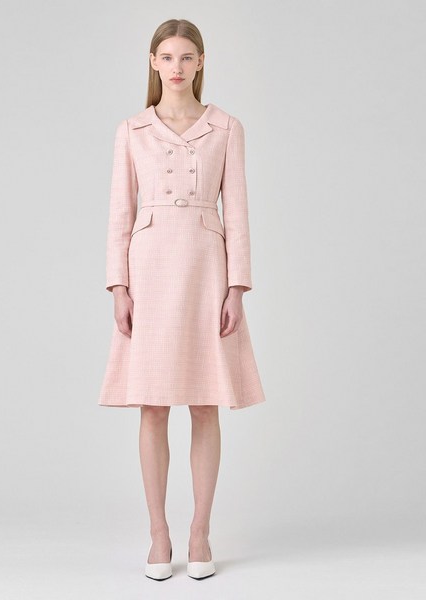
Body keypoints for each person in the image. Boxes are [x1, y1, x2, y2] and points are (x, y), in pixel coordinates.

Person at [98, 18, 266, 580]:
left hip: (205, 268)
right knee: (151, 404)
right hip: (148, 269)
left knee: (205, 403)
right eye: (167, 57)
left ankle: (199, 531)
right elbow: (119, 214)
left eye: (186, 57)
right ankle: (158, 533)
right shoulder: (132, 130)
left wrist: (236, 287)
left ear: (201, 62)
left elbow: (237, 212)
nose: (176, 66)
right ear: (153, 62)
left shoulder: (226, 128)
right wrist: (118, 286)